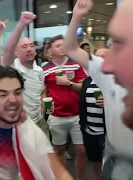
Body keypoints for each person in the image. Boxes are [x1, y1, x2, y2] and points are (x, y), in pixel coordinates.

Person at [64, 0, 133, 178]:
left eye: (119, 45)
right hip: (114, 161)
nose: (107, 65)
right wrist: (77, 16)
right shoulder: (105, 74)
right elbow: (71, 48)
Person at [42, 35, 87, 180]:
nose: (62, 47)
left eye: (63, 44)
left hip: (77, 115)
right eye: (58, 45)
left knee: (81, 150)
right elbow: (43, 92)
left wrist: (68, 83)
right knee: (59, 149)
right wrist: (43, 101)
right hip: (56, 116)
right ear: (49, 51)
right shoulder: (45, 69)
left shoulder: (75, 64)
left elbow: (83, 87)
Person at [2, 11, 49, 137]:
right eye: (24, 46)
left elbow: (42, 91)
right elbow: (8, 49)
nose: (29, 49)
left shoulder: (39, 70)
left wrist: (43, 102)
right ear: (17, 52)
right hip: (19, 124)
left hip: (39, 121)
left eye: (31, 46)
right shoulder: (12, 67)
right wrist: (22, 23)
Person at [79, 75, 105, 180]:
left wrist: (110, 102)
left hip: (109, 133)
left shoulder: (115, 79)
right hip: (90, 131)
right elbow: (82, 104)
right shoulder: (88, 81)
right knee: (96, 164)